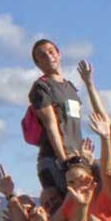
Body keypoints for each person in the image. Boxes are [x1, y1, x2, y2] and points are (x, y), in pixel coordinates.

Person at [28, 39, 83, 195]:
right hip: (55, 158)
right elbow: (51, 125)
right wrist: (63, 161)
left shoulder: (70, 87)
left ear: (58, 54)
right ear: (38, 64)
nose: (48, 57)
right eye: (42, 56)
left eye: (51, 52)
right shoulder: (41, 87)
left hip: (75, 156)